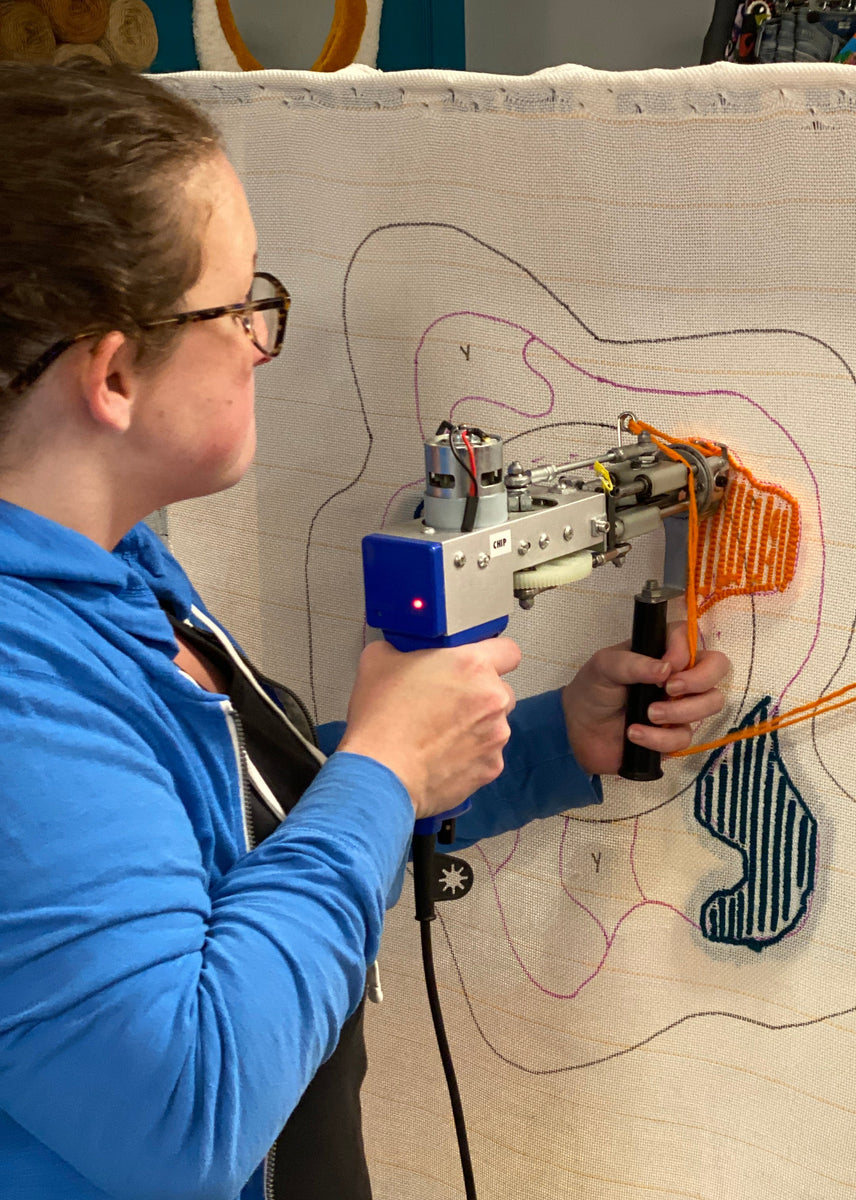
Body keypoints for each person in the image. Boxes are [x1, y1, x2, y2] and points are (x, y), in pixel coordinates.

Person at [0, 63, 730, 1200]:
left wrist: (545, 743)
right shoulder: (15, 688)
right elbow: (182, 1117)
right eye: (238, 303)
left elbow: (238, 849)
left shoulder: (107, 571)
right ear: (113, 374)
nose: (258, 337)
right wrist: (387, 762)